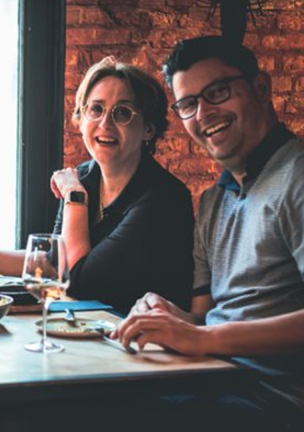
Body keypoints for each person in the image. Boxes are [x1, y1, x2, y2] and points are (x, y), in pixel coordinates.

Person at [114, 36, 304, 427]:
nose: (203, 113)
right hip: (215, 381)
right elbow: (205, 319)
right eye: (188, 104)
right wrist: (170, 319)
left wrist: (202, 340)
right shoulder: (214, 200)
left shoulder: (297, 176)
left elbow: (209, 335)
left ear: (261, 87)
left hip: (277, 403)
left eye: (217, 92)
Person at [0, 56, 194, 313]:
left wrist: (74, 197)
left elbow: (78, 283)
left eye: (122, 112)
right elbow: (54, 263)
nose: (105, 123)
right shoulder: (83, 176)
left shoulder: (162, 198)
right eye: (96, 109)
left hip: (149, 345)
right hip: (95, 331)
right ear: (81, 119)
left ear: (148, 128)